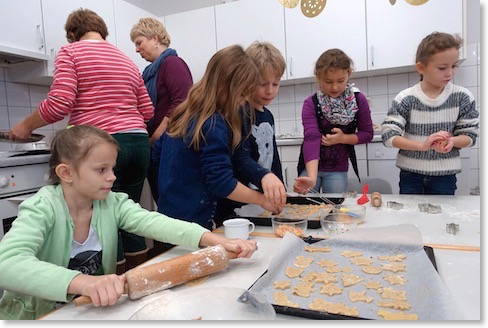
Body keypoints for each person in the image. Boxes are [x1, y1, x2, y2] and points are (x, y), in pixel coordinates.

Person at [0, 125, 257, 320]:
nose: (112, 177)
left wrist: (217, 241)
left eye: (112, 168)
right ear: (66, 173)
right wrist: (85, 283)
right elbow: (7, 264)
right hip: (36, 317)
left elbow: (158, 223)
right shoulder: (42, 208)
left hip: (86, 312)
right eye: (101, 170)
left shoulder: (111, 203)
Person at [8, 8, 155, 273]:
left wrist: (25, 125)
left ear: (72, 34)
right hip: (138, 142)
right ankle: (140, 279)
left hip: (100, 147)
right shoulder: (126, 59)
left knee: (106, 216)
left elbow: (60, 102)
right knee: (129, 213)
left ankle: (114, 286)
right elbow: (147, 111)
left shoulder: (72, 52)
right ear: (101, 31)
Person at [154, 45, 283, 230]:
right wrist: (261, 200)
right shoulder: (213, 123)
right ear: (227, 88)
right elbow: (221, 182)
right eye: (242, 94)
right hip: (193, 223)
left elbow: (157, 156)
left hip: (168, 215)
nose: (244, 100)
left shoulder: (183, 113)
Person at [381, 32, 479, 195]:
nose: (450, 73)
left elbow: (470, 137)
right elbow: (388, 136)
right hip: (410, 174)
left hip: (445, 175)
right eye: (442, 68)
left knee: (441, 219)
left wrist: (452, 141)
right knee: (412, 217)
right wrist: (421, 145)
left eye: (454, 66)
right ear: (421, 68)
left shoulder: (462, 97)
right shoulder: (406, 98)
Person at [215, 41, 287, 226]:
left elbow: (273, 157)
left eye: (275, 83)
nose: (270, 90)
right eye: (262, 84)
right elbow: (240, 158)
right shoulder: (240, 111)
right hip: (239, 201)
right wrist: (264, 176)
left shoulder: (268, 115)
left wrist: (280, 187)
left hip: (261, 199)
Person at [130, 18, 193, 203]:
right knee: (163, 200)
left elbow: (183, 102)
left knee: (171, 201)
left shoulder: (173, 63)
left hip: (168, 145)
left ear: (155, 38)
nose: (136, 49)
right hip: (157, 146)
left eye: (139, 43)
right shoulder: (150, 72)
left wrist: (156, 137)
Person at [293, 49, 373, 195]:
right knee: (306, 209)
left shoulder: (358, 100)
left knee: (335, 211)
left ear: (349, 73)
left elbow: (367, 134)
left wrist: (343, 138)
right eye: (328, 82)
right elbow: (311, 138)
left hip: (338, 168)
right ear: (318, 77)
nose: (335, 87)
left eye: (340, 81)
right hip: (311, 166)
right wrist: (311, 177)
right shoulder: (311, 103)